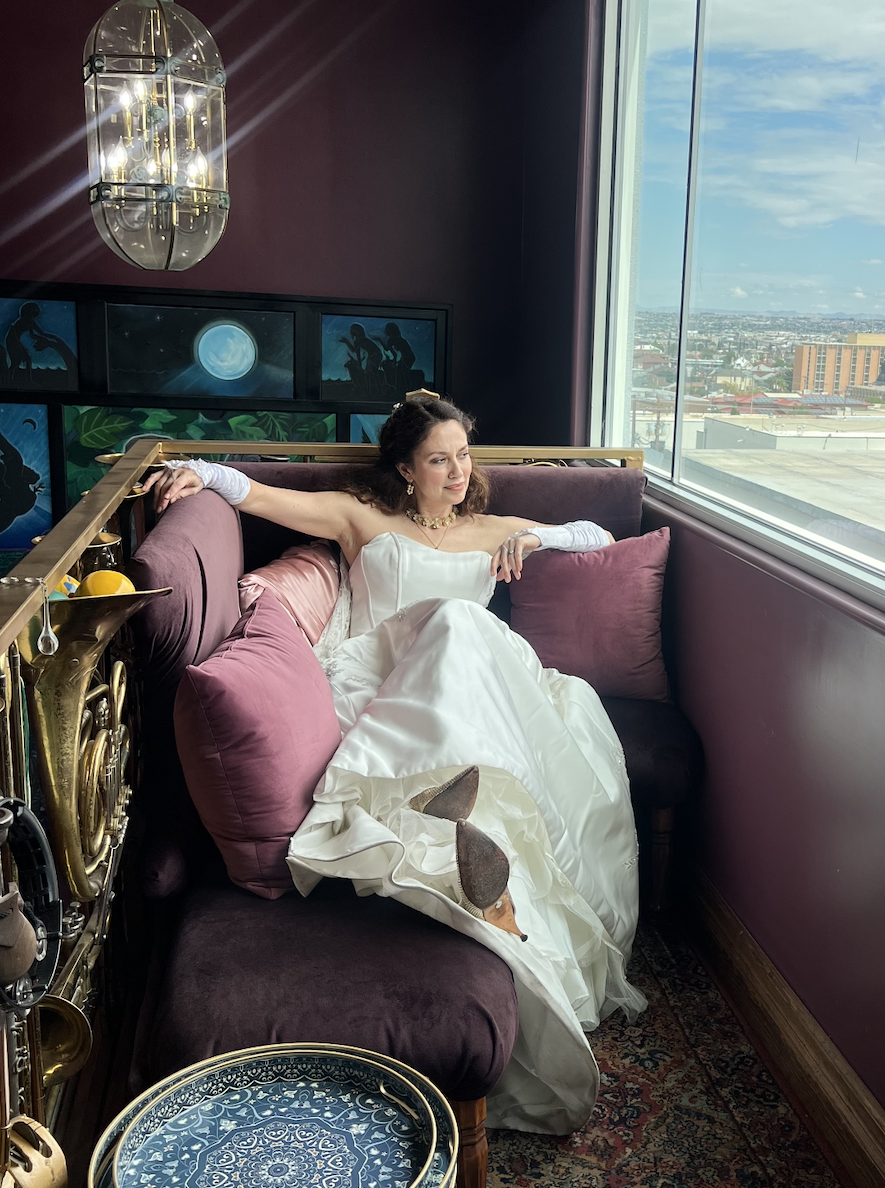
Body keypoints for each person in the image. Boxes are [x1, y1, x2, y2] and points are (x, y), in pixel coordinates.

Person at [142, 393, 644, 1134]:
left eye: (463, 456)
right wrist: (200, 471)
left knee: (462, 626)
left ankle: (466, 809)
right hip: (380, 684)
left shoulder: (493, 528)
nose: (456, 471)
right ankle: (450, 813)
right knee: (450, 621)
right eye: (439, 459)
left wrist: (538, 541)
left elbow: (596, 530)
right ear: (406, 469)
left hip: (471, 690)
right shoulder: (362, 518)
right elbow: (261, 496)